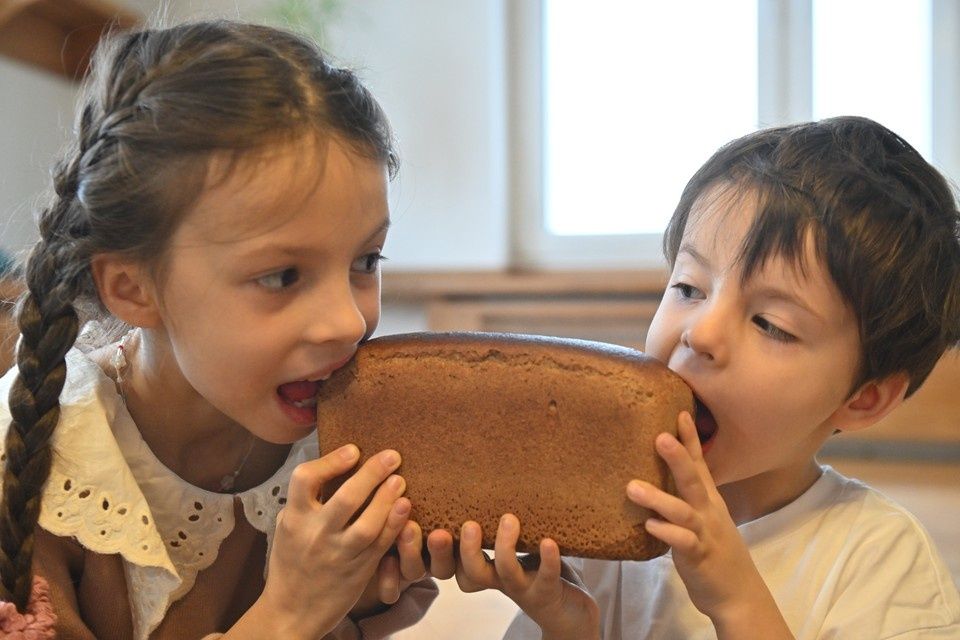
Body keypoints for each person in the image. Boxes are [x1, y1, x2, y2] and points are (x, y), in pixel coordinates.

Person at [0, 20, 447, 639]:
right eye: (283, 275)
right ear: (133, 288)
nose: (348, 322)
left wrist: (362, 604)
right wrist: (288, 615)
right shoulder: (29, 471)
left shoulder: (347, 447)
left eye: (366, 261)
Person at [452, 116, 960, 639]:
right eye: (689, 288)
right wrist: (565, 626)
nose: (701, 333)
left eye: (771, 324)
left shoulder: (879, 562)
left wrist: (737, 601)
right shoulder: (608, 527)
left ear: (864, 397)